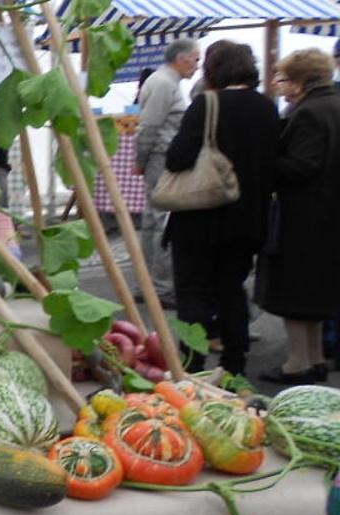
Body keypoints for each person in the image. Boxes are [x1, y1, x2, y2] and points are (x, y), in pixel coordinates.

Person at [163, 41, 279, 376]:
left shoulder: (206, 103)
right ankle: (234, 366)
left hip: (201, 215)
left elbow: (178, 157)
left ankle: (193, 362)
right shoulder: (267, 107)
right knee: (232, 289)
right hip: (248, 217)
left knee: (193, 292)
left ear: (213, 68)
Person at [254, 48, 340, 384]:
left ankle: (297, 362)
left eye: (285, 78)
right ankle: (316, 358)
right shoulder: (333, 105)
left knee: (295, 294)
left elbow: (303, 165)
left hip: (305, 216)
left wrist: (265, 164)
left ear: (302, 80)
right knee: (316, 294)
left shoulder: (309, 113)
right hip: (329, 214)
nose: (279, 84)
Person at [134, 38, 201, 308]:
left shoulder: (165, 81)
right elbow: (149, 127)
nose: (197, 66)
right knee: (162, 220)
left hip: (159, 157)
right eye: (195, 60)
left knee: (153, 221)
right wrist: (141, 159)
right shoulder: (164, 83)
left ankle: (148, 284)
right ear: (182, 58)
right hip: (161, 158)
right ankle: (160, 286)